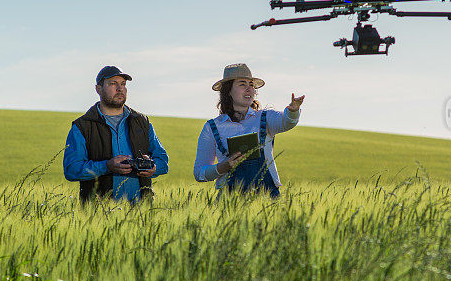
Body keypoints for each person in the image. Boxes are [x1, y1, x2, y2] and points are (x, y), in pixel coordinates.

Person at [193, 63, 304, 197]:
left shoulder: (265, 117)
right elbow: (199, 173)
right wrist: (222, 167)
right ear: (228, 91)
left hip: (268, 200)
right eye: (242, 84)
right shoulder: (212, 127)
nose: (249, 89)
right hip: (228, 204)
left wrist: (293, 111)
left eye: (251, 85)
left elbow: (287, 122)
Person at [64, 65, 168, 204]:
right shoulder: (82, 127)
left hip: (142, 213)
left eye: (123, 84)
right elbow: (71, 170)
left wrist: (153, 167)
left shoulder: (142, 122)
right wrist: (106, 166)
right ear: (98, 89)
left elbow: (163, 161)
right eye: (113, 84)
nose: (120, 89)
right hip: (98, 215)